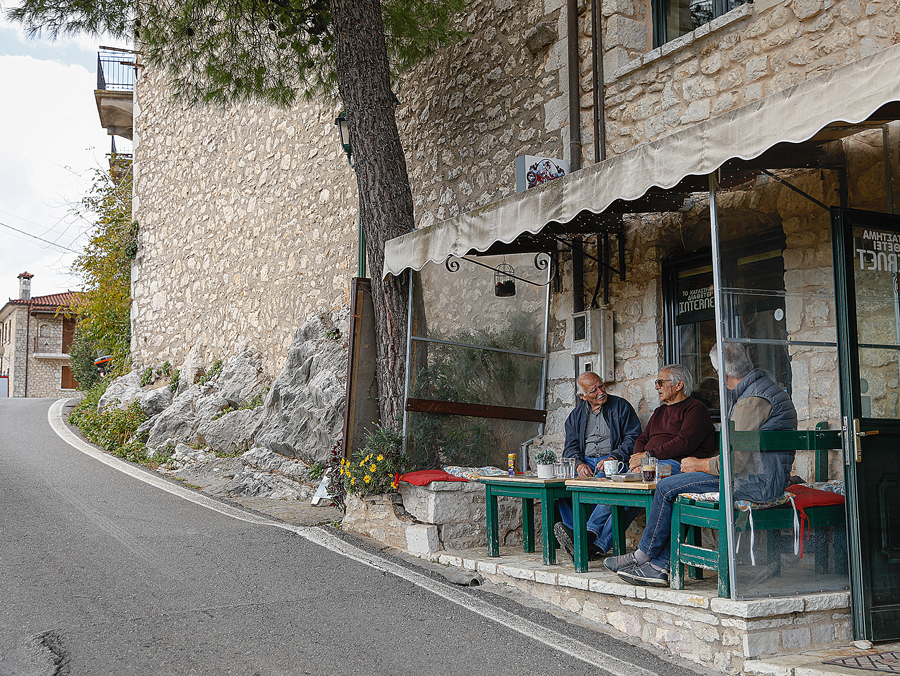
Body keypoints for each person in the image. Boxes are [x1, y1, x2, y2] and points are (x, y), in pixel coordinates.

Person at [607, 344, 798, 587]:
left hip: (755, 482)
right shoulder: (761, 390)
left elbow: (736, 461)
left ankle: (643, 557)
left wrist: (700, 464)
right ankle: (658, 566)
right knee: (674, 489)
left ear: (723, 374)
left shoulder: (752, 400)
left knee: (666, 487)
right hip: (759, 476)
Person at [553, 370, 641, 562]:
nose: (601, 392)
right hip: (586, 462)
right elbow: (570, 447)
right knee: (562, 488)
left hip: (613, 461)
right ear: (582, 396)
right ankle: (575, 536)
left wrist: (614, 456)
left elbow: (633, 438)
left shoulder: (621, 407)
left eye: (601, 386)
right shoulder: (576, 415)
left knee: (614, 493)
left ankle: (586, 542)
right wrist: (578, 464)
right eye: (593, 390)